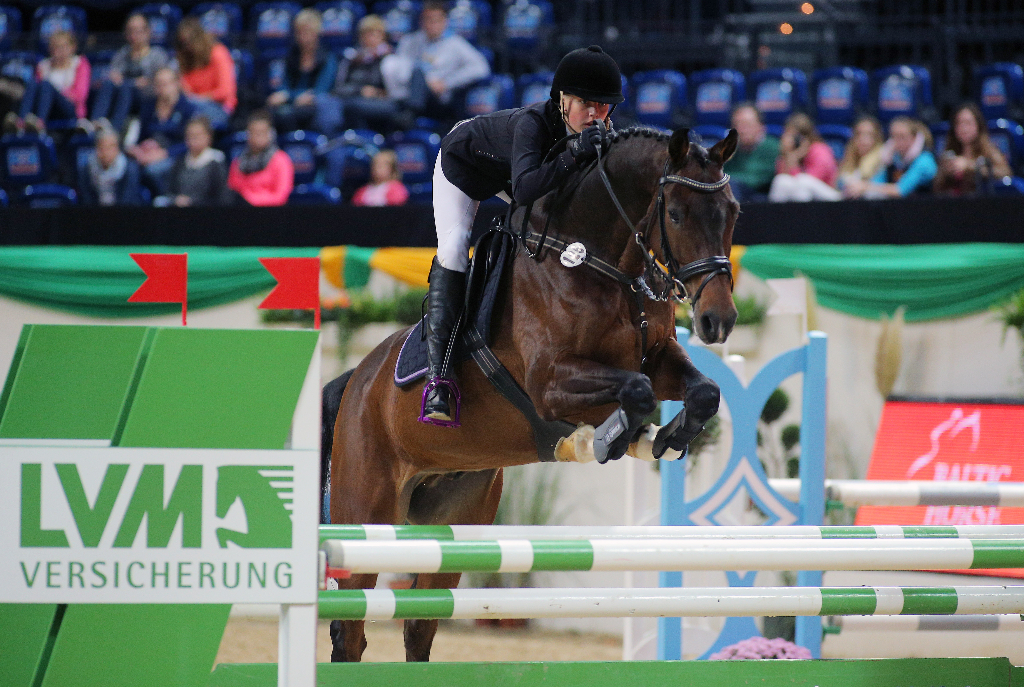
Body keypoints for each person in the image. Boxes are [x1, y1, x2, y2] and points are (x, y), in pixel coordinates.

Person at [420, 45, 622, 425]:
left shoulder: (604, 131)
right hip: (465, 165)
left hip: (513, 174)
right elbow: (527, 188)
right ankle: (439, 379)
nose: (594, 115)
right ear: (562, 100)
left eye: (603, 105)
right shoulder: (532, 123)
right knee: (453, 245)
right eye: (584, 104)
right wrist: (574, 153)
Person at [395, 1, 490, 123]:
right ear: (421, 21)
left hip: (436, 100)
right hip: (406, 93)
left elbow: (481, 68)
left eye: (436, 21)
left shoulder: (455, 43)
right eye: (428, 20)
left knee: (418, 73)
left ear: (445, 22)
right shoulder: (409, 41)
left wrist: (446, 83)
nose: (432, 25)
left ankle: (411, 114)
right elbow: (397, 69)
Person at [91, 13, 169, 132]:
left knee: (125, 87)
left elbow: (156, 82)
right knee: (108, 84)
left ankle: (115, 130)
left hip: (146, 98)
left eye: (138, 31)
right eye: (130, 31)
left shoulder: (157, 55)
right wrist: (122, 80)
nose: (134, 35)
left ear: (148, 32)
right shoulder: (122, 54)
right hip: (122, 94)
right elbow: (114, 76)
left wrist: (128, 82)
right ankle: (94, 123)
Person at [320, 14, 398, 133]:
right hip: (351, 97)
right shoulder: (350, 59)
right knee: (327, 102)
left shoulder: (389, 59)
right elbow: (338, 88)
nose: (370, 38)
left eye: (375, 34)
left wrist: (377, 92)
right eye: (366, 34)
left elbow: (394, 91)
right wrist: (360, 91)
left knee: (352, 107)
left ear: (383, 36)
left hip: (380, 102)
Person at [127, 67, 197, 193]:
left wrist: (164, 153)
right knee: (127, 168)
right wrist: (139, 151)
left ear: (176, 84)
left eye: (165, 84)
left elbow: (190, 143)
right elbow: (139, 137)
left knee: (153, 170)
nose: (161, 88)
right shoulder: (148, 107)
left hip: (176, 156)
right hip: (148, 155)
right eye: (158, 84)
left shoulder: (188, 109)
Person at [267, 9, 337, 133]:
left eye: (308, 32)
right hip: (293, 104)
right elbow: (283, 87)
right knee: (272, 112)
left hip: (315, 106)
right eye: (300, 32)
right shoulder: (290, 57)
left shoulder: (327, 58)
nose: (303, 37)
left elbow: (321, 90)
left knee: (289, 115)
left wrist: (289, 96)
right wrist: (292, 97)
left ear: (317, 33)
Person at [934, 103, 1011, 196]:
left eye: (968, 123)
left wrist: (969, 166)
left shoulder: (989, 150)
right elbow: (936, 187)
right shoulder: (949, 153)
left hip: (981, 204)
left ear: (978, 126)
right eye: (958, 123)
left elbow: (1005, 173)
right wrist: (946, 173)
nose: (963, 128)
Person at [20, 31, 91, 131]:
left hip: (69, 109)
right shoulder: (43, 66)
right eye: (55, 47)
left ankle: (40, 124)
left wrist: (57, 92)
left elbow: (79, 95)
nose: (58, 51)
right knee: (32, 84)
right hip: (47, 107)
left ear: (72, 47)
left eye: (62, 47)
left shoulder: (79, 63)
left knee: (46, 85)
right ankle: (20, 122)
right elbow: (36, 92)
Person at [175, 17, 236, 129]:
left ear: (200, 38)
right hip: (192, 106)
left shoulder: (218, 53)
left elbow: (224, 92)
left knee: (186, 110)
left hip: (219, 108)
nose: (188, 46)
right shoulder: (186, 59)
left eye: (190, 41)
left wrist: (199, 98)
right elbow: (186, 92)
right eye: (184, 43)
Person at [857, 116, 938, 198]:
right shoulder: (892, 158)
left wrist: (865, 187)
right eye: (893, 136)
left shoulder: (925, 160)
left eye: (902, 137)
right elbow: (877, 182)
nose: (897, 141)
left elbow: (900, 191)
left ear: (914, 138)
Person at [227, 109, 295, 206]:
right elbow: (232, 190)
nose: (258, 136)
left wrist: (251, 200)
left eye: (262, 132)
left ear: (270, 134)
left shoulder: (281, 159)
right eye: (254, 132)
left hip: (270, 213)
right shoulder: (239, 161)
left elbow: (281, 196)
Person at [768, 112, 839, 202]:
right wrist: (789, 156)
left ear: (804, 136)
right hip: (804, 196)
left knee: (803, 181)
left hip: (831, 198)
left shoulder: (819, 150)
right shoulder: (790, 153)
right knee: (781, 180)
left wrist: (794, 159)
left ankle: (804, 216)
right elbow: (782, 175)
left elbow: (812, 181)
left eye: (794, 136)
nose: (790, 140)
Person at [159, 116, 228, 207]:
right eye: (190, 135)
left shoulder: (216, 162)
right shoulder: (180, 161)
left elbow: (221, 198)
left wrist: (192, 202)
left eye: (197, 135)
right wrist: (176, 199)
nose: (193, 140)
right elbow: (169, 191)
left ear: (208, 136)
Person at [724, 103, 779, 202]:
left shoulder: (772, 147)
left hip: (762, 199)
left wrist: (728, 178)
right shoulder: (730, 148)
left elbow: (758, 179)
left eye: (746, 125)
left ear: (761, 127)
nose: (741, 130)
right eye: (737, 125)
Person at [79, 127, 144, 206]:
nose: (106, 152)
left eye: (110, 147)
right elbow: (86, 199)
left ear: (117, 149)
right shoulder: (86, 169)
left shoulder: (130, 169)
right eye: (102, 147)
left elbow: (128, 199)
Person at [835, 116, 884, 198]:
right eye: (859, 134)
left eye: (869, 135)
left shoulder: (884, 159)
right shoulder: (848, 159)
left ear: (877, 138)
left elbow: (879, 191)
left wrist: (864, 188)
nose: (863, 139)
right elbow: (838, 185)